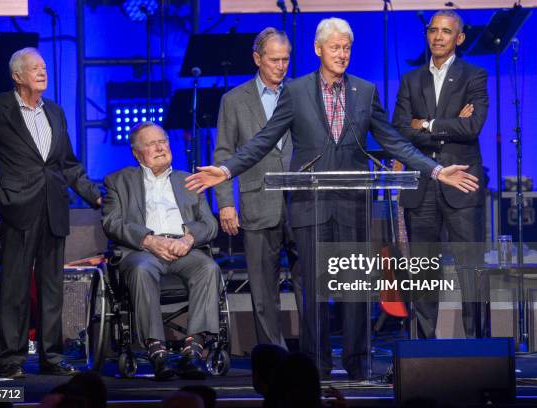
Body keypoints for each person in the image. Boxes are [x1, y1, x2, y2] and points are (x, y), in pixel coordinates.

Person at [185, 18, 478, 380]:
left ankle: (358, 366)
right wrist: (226, 170)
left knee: (353, 293)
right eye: (335, 47)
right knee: (316, 294)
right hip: (310, 205)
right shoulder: (297, 91)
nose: (342, 54)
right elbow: (263, 140)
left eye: (347, 48)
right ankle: (316, 368)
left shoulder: (364, 91)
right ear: (318, 49)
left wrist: (435, 169)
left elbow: (393, 141)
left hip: (352, 204)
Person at [0, 47, 101, 379]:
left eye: (44, 67)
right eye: (35, 68)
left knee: (52, 287)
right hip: (18, 206)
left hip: (53, 207)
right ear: (17, 75)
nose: (42, 72)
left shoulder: (55, 112)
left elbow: (68, 164)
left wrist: (95, 197)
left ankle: (52, 355)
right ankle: (11, 359)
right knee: (15, 287)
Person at [392, 10, 488, 339]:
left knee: (470, 270)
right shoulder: (410, 80)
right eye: (433, 30)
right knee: (423, 272)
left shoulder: (475, 76)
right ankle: (423, 347)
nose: (438, 36)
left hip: (462, 182)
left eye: (446, 31)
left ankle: (478, 346)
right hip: (422, 183)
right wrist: (451, 122)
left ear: (459, 38)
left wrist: (428, 123)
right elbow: (401, 130)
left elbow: (473, 126)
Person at [102, 122, 220, 380]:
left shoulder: (188, 180)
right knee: (142, 268)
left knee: (208, 267)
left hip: (183, 248)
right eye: (151, 144)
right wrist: (148, 240)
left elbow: (210, 224)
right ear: (137, 153)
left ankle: (194, 349)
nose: (159, 148)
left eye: (163, 141)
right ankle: (157, 351)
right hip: (143, 251)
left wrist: (189, 239)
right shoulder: (118, 181)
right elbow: (112, 222)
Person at [214, 27, 300, 347]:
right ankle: (272, 354)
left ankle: (313, 354)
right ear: (257, 59)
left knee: (307, 282)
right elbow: (223, 154)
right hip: (257, 201)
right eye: (274, 59)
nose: (281, 66)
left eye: (285, 60)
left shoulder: (300, 93)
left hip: (300, 203)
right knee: (264, 288)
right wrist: (225, 202)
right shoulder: (234, 101)